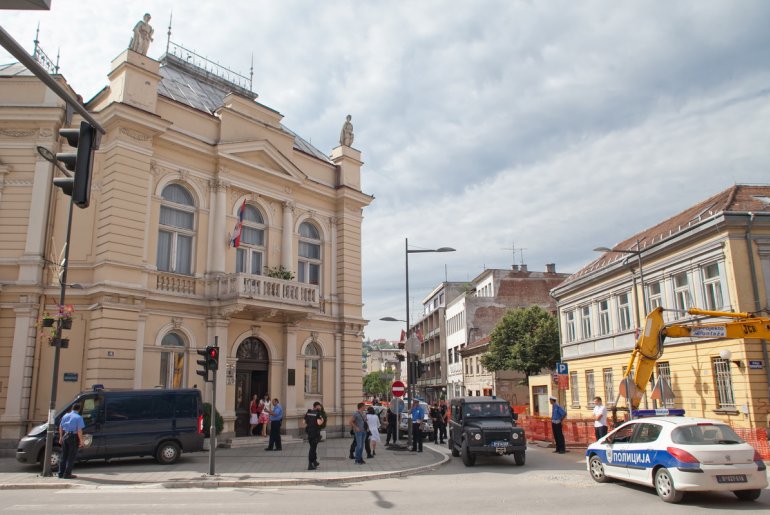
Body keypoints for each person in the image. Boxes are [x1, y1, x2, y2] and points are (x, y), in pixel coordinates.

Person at [57, 403, 85, 479]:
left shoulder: (65, 416)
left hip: (65, 435)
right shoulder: (78, 417)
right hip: (73, 437)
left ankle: (60, 473)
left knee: (64, 455)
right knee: (71, 456)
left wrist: (60, 437)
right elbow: (79, 430)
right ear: (78, 410)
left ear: (72, 408)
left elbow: (60, 427)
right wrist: (81, 441)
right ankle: (67, 474)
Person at [304, 402, 323, 470]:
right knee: (312, 448)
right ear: (316, 406)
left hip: (309, 433)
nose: (320, 407)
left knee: (313, 448)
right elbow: (319, 423)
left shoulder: (308, 412)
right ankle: (310, 464)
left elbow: (304, 422)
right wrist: (322, 420)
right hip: (315, 433)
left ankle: (314, 462)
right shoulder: (318, 413)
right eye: (319, 406)